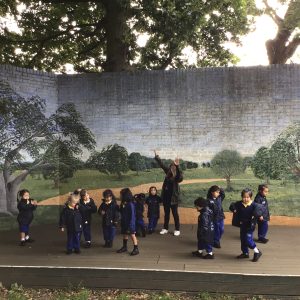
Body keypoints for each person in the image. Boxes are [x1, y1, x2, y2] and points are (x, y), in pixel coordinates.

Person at [229, 188, 265, 262]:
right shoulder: (239, 204)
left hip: (250, 226)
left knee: (248, 240)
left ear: (250, 197)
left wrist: (260, 215)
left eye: (247, 197)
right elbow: (232, 205)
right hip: (242, 225)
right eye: (244, 197)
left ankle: (257, 251)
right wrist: (233, 209)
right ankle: (245, 253)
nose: (245, 199)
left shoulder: (254, 205)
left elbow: (260, 209)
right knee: (243, 239)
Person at [154, 150, 183, 236]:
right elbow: (162, 165)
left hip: (174, 198)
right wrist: (157, 156)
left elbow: (180, 177)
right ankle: (165, 228)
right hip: (166, 197)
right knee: (166, 214)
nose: (172, 168)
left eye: (174, 168)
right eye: (171, 167)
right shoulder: (168, 173)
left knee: (175, 214)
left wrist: (178, 166)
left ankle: (177, 229)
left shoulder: (177, 177)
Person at [117, 188, 139, 256]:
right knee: (125, 234)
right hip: (124, 222)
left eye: (121, 195)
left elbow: (132, 216)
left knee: (132, 235)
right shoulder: (123, 203)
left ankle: (136, 248)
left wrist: (130, 225)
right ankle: (124, 247)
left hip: (130, 223)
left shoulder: (130, 204)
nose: (120, 196)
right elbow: (121, 211)